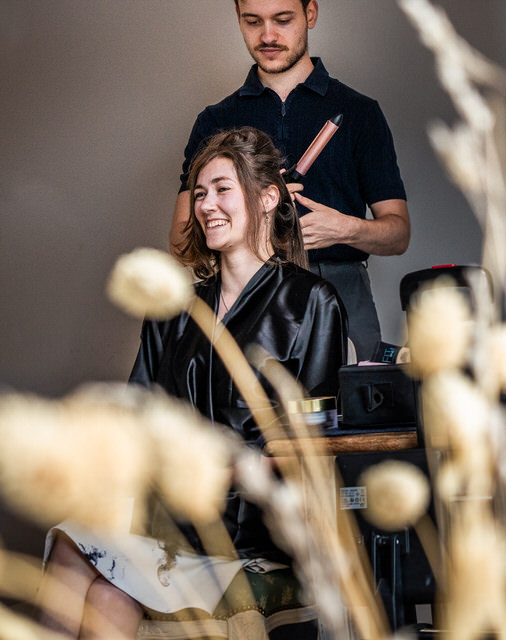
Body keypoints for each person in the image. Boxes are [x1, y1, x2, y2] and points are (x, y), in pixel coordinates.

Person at [37, 127, 347, 640]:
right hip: (167, 525)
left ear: (268, 197)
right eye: (200, 193)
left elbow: (313, 446)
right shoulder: (174, 309)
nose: (207, 205)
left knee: (99, 574)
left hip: (249, 535)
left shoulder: (313, 303)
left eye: (223, 189)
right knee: (89, 567)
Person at [170, 0, 409, 362]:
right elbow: (181, 239)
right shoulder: (214, 121)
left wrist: (346, 229)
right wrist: (241, 228)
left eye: (283, 20)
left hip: (343, 292)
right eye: (252, 21)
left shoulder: (358, 113)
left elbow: (398, 233)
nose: (267, 36)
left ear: (310, 13)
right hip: (244, 294)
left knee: (352, 422)